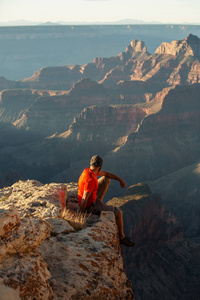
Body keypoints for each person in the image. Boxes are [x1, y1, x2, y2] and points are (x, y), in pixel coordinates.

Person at [78, 155, 134, 247]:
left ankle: (101, 202)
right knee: (118, 213)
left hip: (93, 198)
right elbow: (85, 197)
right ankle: (122, 237)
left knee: (106, 179)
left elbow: (106, 174)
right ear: (100, 166)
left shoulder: (88, 170)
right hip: (91, 205)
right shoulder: (91, 179)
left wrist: (120, 179)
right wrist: (80, 214)